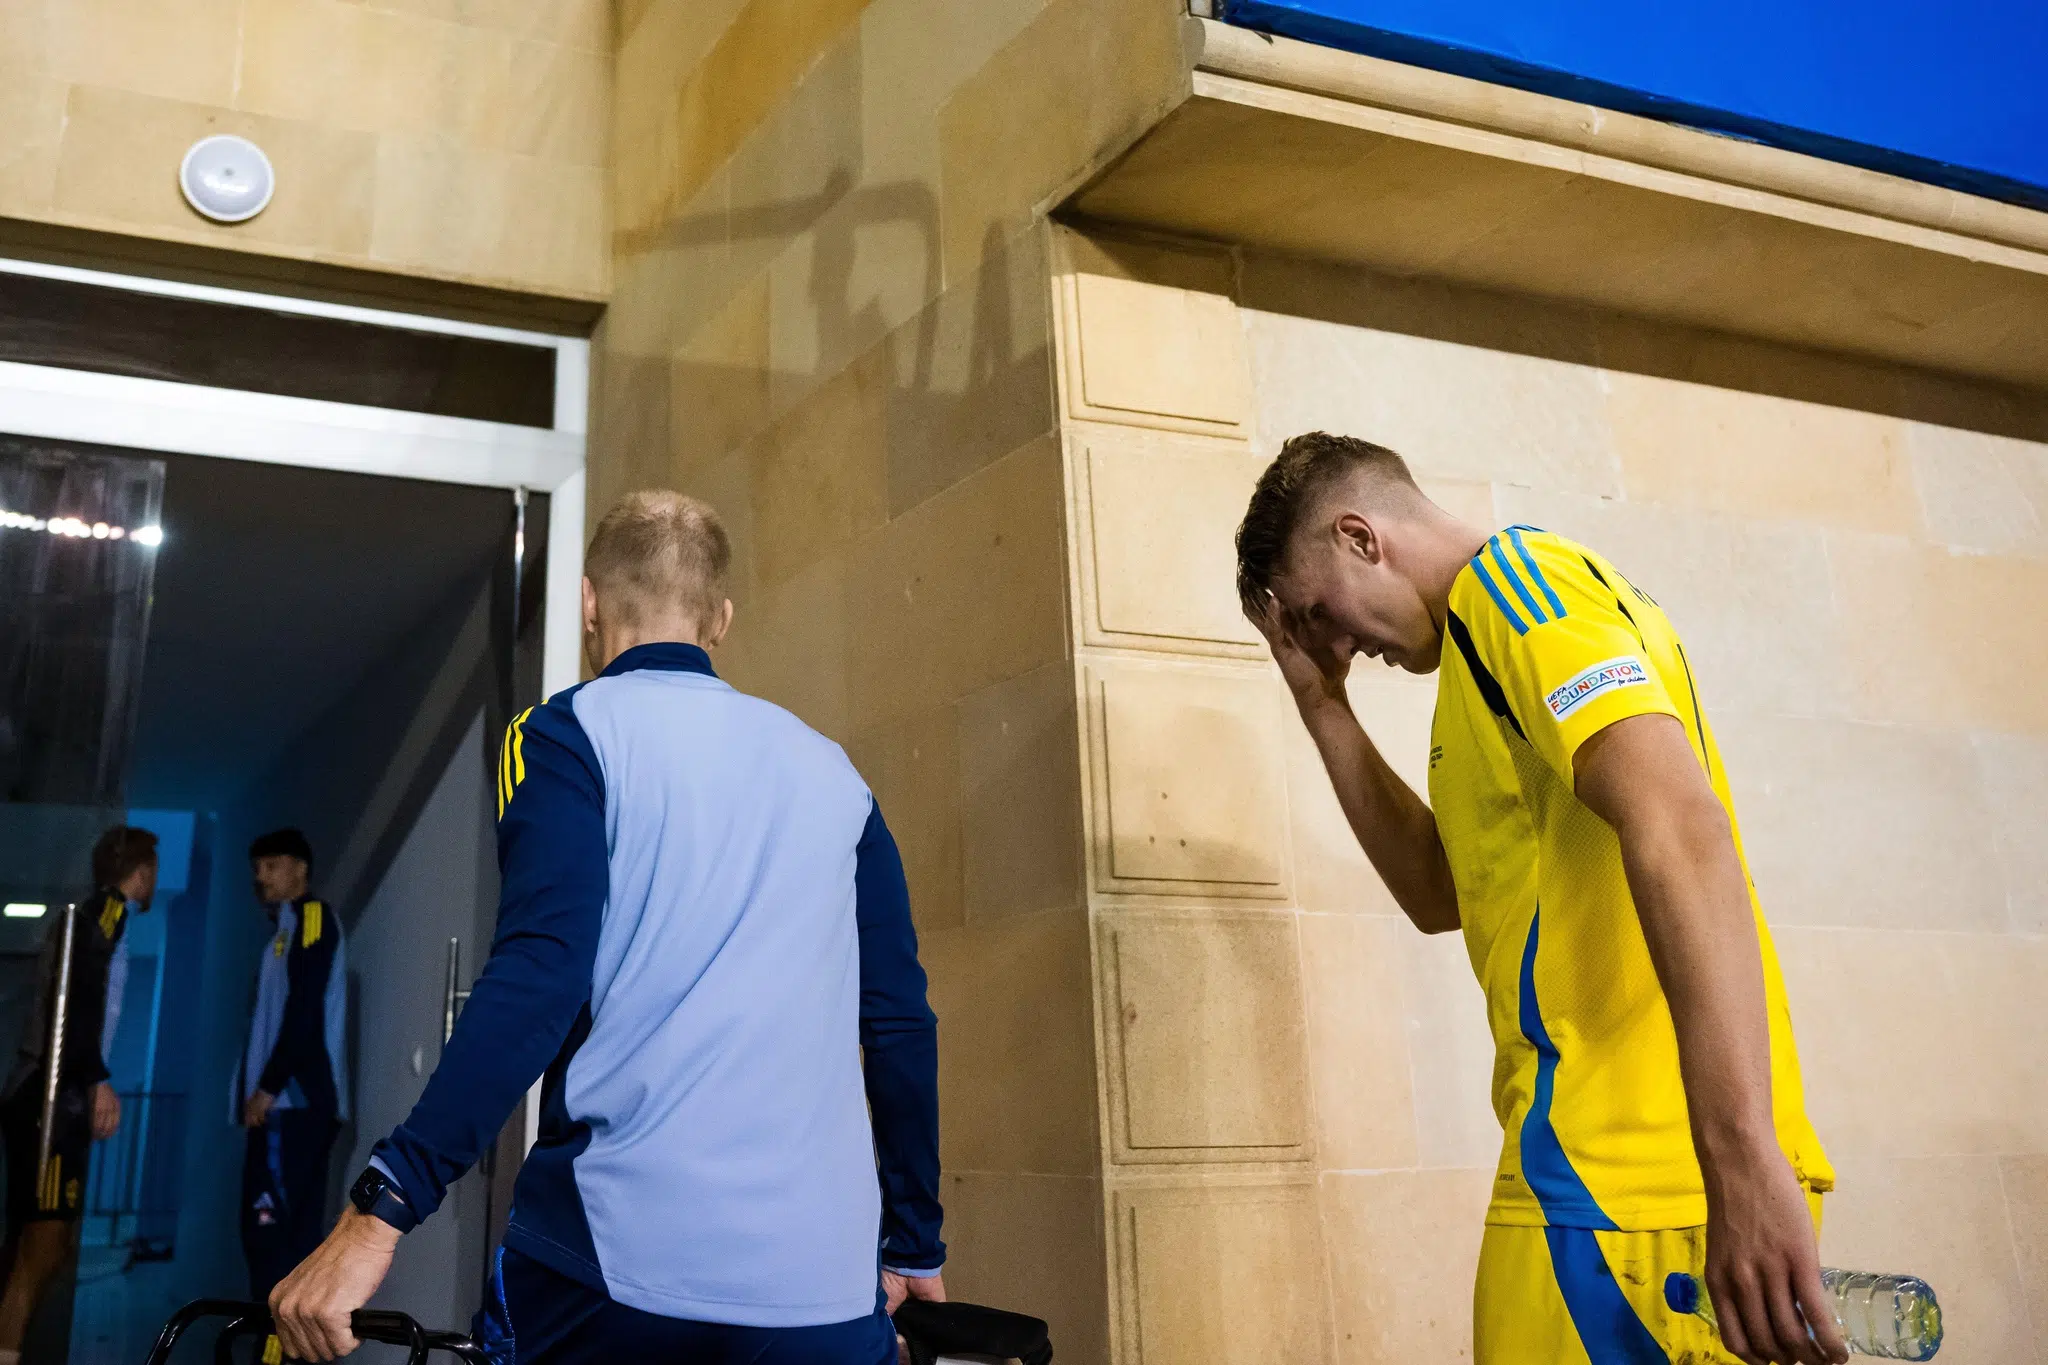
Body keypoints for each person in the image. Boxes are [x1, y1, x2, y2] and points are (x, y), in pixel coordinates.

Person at [271, 491, 946, 1364]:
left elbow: (540, 974)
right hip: (825, 1296)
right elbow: (897, 1022)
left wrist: (382, 1207)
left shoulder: (560, 736)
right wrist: (915, 1241)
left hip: (619, 1273)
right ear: (722, 618)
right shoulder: (836, 775)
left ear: (588, 602)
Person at [1234, 433, 1840, 1365]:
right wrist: (1323, 706)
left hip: (1627, 1190)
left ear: (1361, 536)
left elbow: (1681, 829)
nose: (1341, 645)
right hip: (1604, 1186)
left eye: (1325, 613)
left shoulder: (1520, 589)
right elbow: (1441, 892)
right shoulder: (1477, 658)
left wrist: (1743, 1159)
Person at [0, 825, 155, 1364]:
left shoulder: (105, 918)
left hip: (53, 1092)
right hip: (49, 1094)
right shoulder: (105, 913)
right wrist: (96, 1080)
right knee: (41, 1242)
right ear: (141, 872)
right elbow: (79, 998)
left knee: (52, 1242)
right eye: (151, 868)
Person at [235, 828, 349, 1306]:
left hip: (294, 1102)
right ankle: (285, 1351)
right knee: (286, 1233)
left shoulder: (313, 917)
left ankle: (274, 1350)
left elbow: (304, 1007)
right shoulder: (280, 930)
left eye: (272, 865)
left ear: (301, 868)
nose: (262, 877)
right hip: (284, 1104)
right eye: (257, 867)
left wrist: (267, 1086)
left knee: (272, 1233)